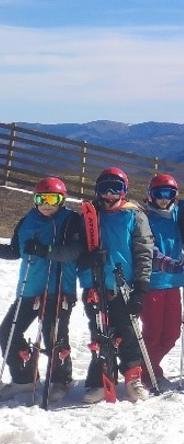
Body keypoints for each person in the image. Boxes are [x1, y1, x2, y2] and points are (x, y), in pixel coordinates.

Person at [0, 177, 83, 402]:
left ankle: (61, 379)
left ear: (62, 200)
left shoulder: (71, 220)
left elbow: (74, 251)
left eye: (53, 199)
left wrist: (44, 250)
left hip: (58, 288)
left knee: (53, 335)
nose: (47, 204)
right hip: (29, 288)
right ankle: (25, 378)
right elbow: (16, 250)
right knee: (8, 331)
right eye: (41, 199)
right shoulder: (27, 220)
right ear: (35, 200)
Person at [78, 167, 155, 403]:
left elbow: (144, 252)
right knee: (99, 334)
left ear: (125, 191)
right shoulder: (89, 215)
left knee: (128, 333)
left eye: (117, 189)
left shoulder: (134, 215)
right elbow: (76, 247)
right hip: (95, 285)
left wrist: (141, 287)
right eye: (105, 189)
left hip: (124, 286)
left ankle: (133, 379)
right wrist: (86, 258)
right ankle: (102, 378)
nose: (110, 194)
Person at [140, 173, 184, 388]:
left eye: (169, 194)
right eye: (159, 194)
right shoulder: (144, 217)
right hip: (153, 283)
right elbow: (150, 252)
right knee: (153, 332)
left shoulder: (177, 214)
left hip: (173, 283)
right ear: (151, 195)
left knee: (173, 332)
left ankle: (148, 366)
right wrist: (174, 265)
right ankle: (148, 372)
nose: (164, 199)